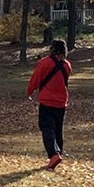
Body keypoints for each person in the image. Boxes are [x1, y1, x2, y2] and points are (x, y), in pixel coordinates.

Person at [25, 40, 71, 169]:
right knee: (58, 129)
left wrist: (29, 91)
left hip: (47, 101)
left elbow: (36, 79)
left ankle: (53, 154)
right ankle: (58, 153)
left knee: (47, 128)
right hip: (61, 102)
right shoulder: (67, 65)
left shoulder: (44, 63)